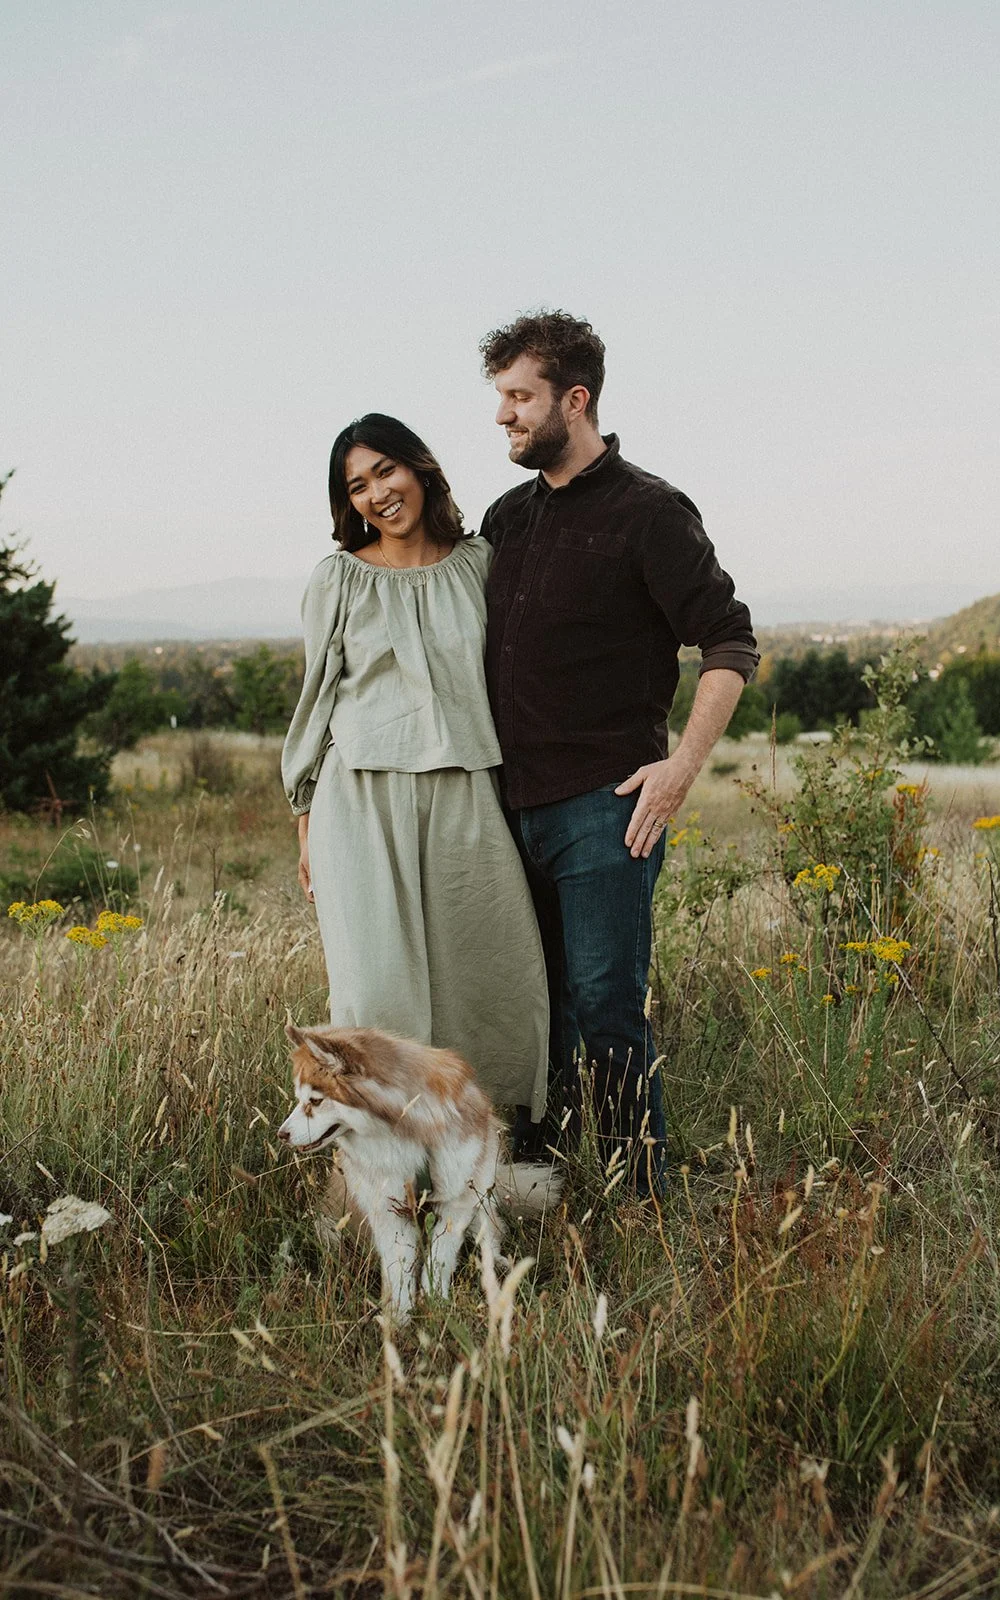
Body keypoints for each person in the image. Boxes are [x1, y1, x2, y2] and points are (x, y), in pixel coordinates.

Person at [478, 312, 759, 1196]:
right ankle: (550, 1179)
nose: (503, 417)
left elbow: (728, 642)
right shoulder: (505, 518)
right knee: (532, 1013)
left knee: (604, 1008)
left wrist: (679, 768)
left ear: (575, 398)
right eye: (499, 399)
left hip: (605, 810)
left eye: (519, 398)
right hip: (501, 808)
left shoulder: (649, 512)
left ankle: (640, 1197)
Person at [281, 414, 549, 1120]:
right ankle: (383, 1164)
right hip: (359, 800)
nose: (377, 494)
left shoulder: (481, 564)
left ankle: (480, 1145)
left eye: (385, 471)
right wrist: (305, 823)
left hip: (467, 791)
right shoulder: (337, 578)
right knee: (375, 990)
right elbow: (314, 705)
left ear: (418, 468)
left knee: (488, 977)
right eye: (357, 485)